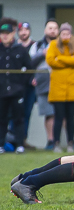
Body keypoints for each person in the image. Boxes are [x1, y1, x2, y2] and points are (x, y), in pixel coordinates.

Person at [46, 23, 74, 153]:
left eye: (68, 33)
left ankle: (70, 142)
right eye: (63, 34)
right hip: (57, 89)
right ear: (59, 34)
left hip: (72, 89)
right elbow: (50, 60)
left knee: (70, 118)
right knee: (58, 117)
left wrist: (59, 59)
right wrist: (69, 59)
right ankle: (56, 143)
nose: (65, 36)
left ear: (71, 34)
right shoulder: (53, 45)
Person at [0, 18, 32, 154]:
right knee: (1, 119)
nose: (5, 35)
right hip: (1, 91)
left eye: (7, 33)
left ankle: (20, 144)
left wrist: (21, 84)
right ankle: (1, 144)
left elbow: (29, 69)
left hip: (17, 90)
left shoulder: (21, 49)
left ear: (13, 33)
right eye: (2, 33)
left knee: (19, 118)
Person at [29, 19, 58, 150]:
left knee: (61, 113)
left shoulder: (62, 45)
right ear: (45, 30)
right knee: (49, 112)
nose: (52, 30)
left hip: (59, 81)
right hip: (43, 81)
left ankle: (62, 141)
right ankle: (51, 140)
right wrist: (43, 54)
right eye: (50, 28)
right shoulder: (37, 45)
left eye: (55, 28)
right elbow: (30, 63)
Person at [12, 22, 36, 149]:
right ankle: (12, 140)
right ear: (18, 32)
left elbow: (35, 66)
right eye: (21, 30)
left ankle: (23, 140)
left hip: (30, 86)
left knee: (26, 113)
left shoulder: (35, 46)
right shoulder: (14, 46)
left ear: (29, 31)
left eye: (26, 30)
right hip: (15, 86)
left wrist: (34, 78)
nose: (24, 32)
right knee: (13, 114)